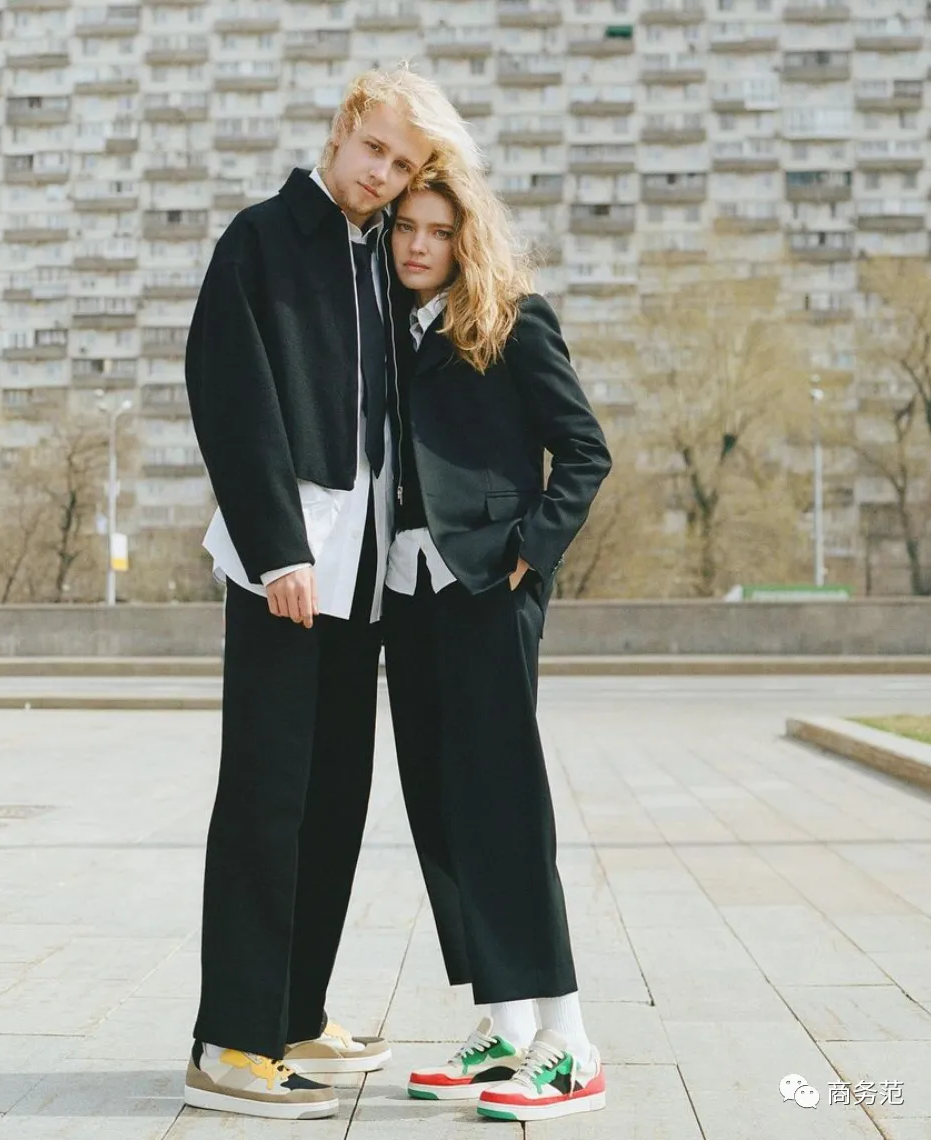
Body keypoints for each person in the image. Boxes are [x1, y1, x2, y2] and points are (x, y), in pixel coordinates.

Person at [182, 68, 480, 1120]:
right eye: (375, 151)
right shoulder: (260, 240)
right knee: (266, 801)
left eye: (402, 166)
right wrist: (277, 550)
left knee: (334, 802)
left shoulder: (381, 258)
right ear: (344, 128)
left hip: (363, 575)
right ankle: (231, 1042)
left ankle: (293, 1013)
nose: (383, 176)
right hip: (287, 568)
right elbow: (229, 394)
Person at [381, 169, 613, 1123]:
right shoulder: (388, 332)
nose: (418, 245)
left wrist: (530, 550)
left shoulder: (516, 321)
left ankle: (571, 1044)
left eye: (438, 231)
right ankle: (508, 1028)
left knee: (505, 809)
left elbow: (586, 450)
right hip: (407, 594)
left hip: (487, 588)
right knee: (442, 809)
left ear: (467, 239)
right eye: (406, 227)